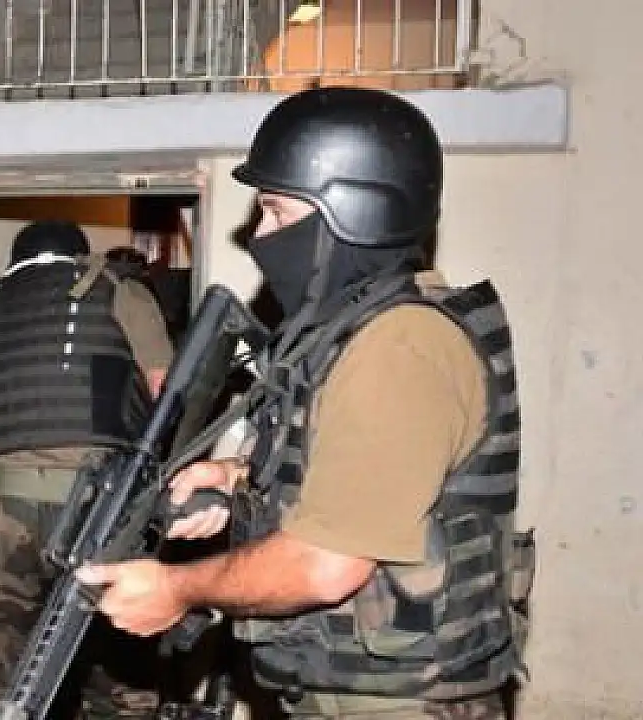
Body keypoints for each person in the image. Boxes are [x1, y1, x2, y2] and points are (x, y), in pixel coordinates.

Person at [78, 86, 536, 718]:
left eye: (277, 213)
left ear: (356, 213)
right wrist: (236, 479)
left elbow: (326, 566)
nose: (259, 236)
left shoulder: (399, 346)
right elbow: (358, 475)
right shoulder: (353, 336)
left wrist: (176, 588)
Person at [0, 220, 174, 718]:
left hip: (1, 515)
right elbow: (167, 395)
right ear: (80, 257)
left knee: (4, 686)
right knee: (115, 674)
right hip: (99, 510)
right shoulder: (120, 291)